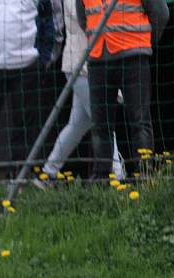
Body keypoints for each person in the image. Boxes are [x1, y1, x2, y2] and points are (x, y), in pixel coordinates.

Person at [77, 0, 169, 181]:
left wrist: (143, 42)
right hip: (99, 57)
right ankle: (103, 179)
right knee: (102, 125)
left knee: (138, 121)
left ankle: (144, 176)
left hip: (132, 55)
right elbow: (84, 18)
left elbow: (161, 13)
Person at [0, 0, 63, 171]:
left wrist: (43, 62)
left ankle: (17, 177)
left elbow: (54, 21)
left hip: (28, 66)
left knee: (23, 127)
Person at [43, 0, 124, 181]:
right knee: (103, 121)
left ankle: (48, 173)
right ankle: (119, 177)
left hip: (87, 65)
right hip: (82, 66)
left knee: (76, 125)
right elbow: (89, 21)